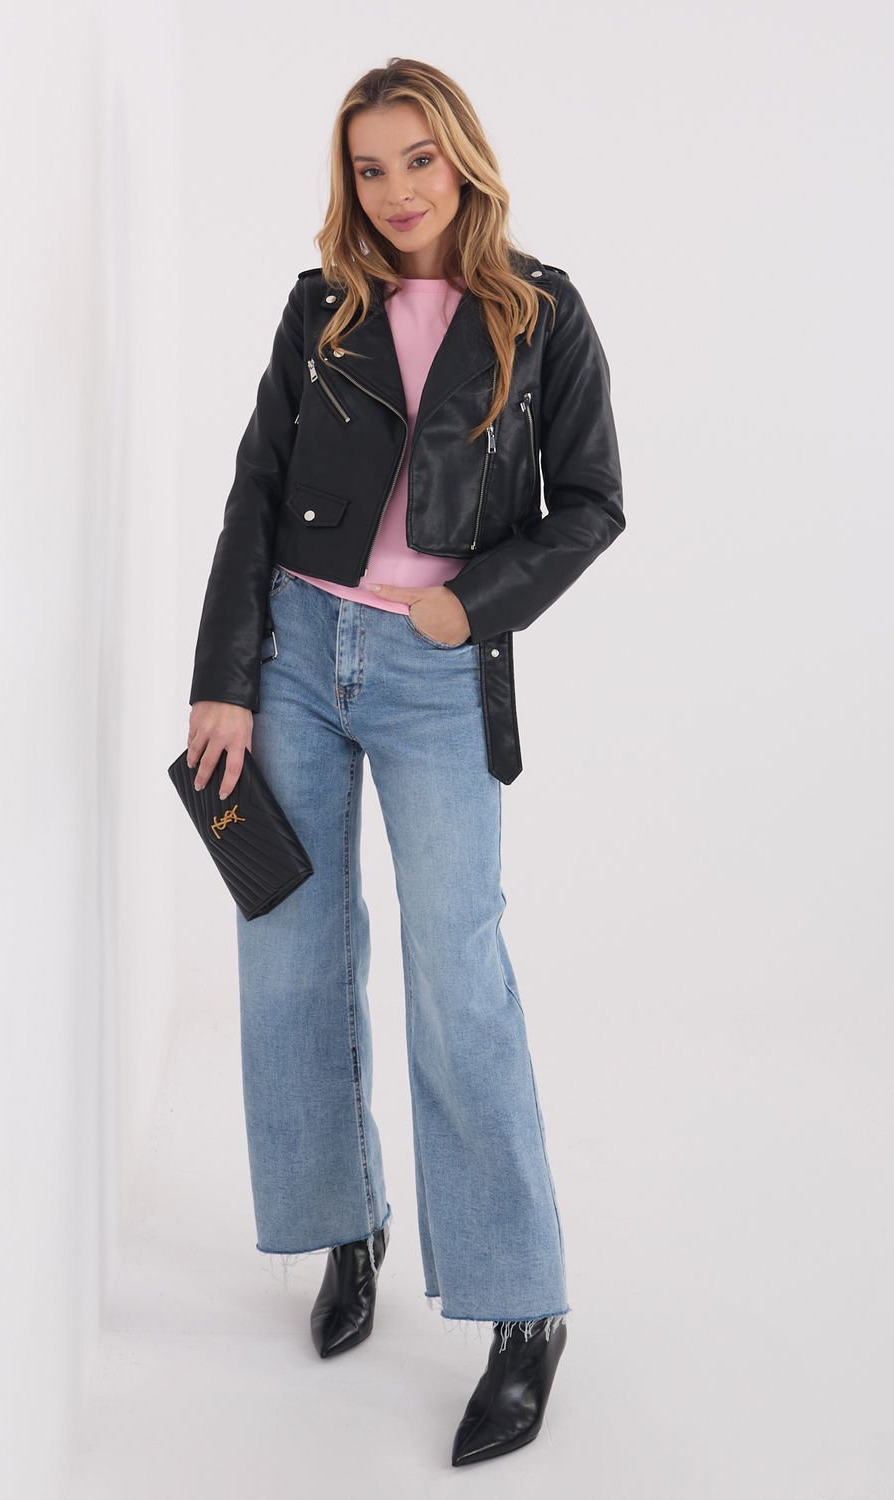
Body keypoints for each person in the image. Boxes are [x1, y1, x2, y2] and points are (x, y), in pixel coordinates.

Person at [186, 57, 625, 1467]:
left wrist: (470, 604)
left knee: (457, 975)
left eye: (417, 159)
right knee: (290, 955)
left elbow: (593, 502)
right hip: (296, 654)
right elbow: (257, 489)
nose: (395, 191)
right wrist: (224, 681)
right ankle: (347, 1227)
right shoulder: (322, 307)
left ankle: (523, 1305)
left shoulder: (542, 311)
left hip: (436, 674)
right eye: (370, 168)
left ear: (463, 159)